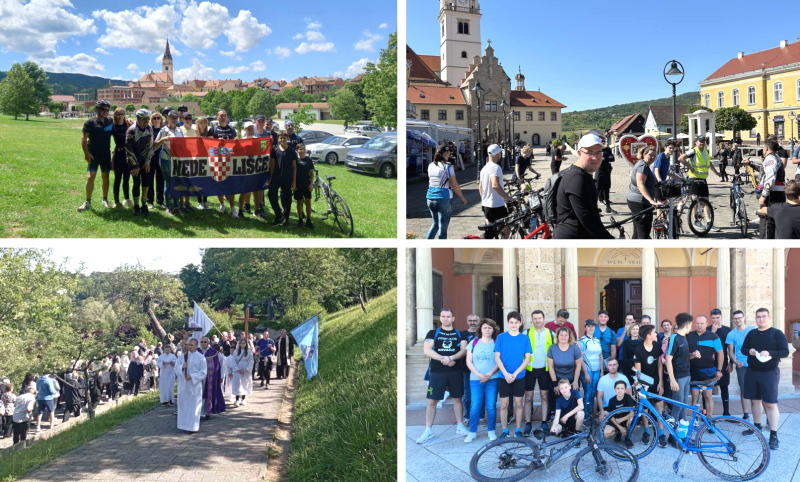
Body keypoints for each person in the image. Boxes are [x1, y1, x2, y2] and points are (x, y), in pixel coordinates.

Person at [417, 309, 468, 444]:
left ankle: (460, 426)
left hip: (455, 371)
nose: (446, 319)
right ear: (440, 318)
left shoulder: (460, 334)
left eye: (448, 317)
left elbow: (463, 351)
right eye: (443, 316)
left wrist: (451, 357)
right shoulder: (433, 333)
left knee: (457, 399)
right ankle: (428, 430)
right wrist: (444, 359)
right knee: (432, 401)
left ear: (453, 318)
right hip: (437, 372)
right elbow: (426, 350)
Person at [741, 308, 789, 450]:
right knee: (755, 401)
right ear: (755, 319)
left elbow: (785, 352)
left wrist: (770, 353)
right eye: (758, 317)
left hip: (769, 372)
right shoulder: (751, 333)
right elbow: (743, 349)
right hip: (752, 371)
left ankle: (774, 435)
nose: (761, 319)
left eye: (763, 317)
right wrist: (748, 351)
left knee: (770, 403)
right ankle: (756, 427)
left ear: (769, 318)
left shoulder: (776, 333)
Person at [553, 134, 614, 239]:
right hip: (572, 241)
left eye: (598, 152)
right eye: (589, 152)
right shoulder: (576, 178)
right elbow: (588, 219)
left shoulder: (584, 175)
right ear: (579, 153)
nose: (595, 157)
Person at [494, 311, 532, 439]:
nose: (514, 324)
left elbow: (527, 359)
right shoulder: (501, 337)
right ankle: (505, 430)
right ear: (508, 322)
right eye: (511, 322)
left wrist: (515, 373)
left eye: (516, 322)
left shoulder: (525, 338)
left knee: (519, 403)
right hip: (503, 376)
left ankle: (518, 429)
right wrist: (505, 373)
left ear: (520, 323)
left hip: (519, 376)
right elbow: (497, 357)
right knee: (504, 405)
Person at [464, 318, 501, 443]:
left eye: (490, 328)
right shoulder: (473, 343)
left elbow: (498, 361)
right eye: (485, 327)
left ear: (493, 330)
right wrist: (479, 375)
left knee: (491, 406)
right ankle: (472, 432)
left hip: (492, 379)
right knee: (475, 406)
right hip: (475, 379)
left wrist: (489, 374)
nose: (487, 330)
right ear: (480, 329)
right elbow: (468, 361)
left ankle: (491, 430)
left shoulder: (496, 343)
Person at [678, 136, 722, 232]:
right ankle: (696, 221)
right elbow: (681, 158)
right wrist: (690, 167)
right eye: (700, 141)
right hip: (693, 179)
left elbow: (709, 163)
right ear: (696, 142)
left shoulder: (705, 151)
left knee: (706, 201)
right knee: (695, 201)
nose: (702, 143)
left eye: (704, 141)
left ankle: (709, 222)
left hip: (703, 180)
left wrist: (716, 173)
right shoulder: (693, 151)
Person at [744, 139, 786, 238]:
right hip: (777, 193)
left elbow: (770, 178)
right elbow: (764, 169)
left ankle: (767, 244)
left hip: (773, 195)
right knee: (774, 222)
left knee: (767, 223)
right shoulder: (776, 157)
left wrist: (764, 195)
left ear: (766, 148)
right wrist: (750, 163)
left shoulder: (770, 159)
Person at [633, 324, 665, 447]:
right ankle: (646, 431)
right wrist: (640, 387)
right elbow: (638, 372)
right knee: (644, 407)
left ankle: (661, 433)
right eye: (654, 332)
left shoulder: (657, 346)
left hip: (656, 380)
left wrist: (661, 382)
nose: (656, 334)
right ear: (648, 335)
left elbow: (659, 365)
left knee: (659, 406)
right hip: (644, 382)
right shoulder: (638, 349)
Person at [78, 100, 114, 211]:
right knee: (90, 177)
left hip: (105, 155)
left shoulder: (110, 121)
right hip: (93, 154)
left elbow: (119, 131)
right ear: (97, 109)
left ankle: (105, 199)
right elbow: (84, 138)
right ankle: (87, 201)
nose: (106, 112)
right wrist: (86, 154)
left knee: (105, 177)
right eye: (103, 109)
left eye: (107, 110)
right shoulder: (90, 122)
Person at [426, 146, 468, 239]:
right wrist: (462, 197)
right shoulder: (448, 166)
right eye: (449, 153)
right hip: (443, 198)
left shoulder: (430, 165)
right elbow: (453, 184)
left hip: (430, 197)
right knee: (443, 228)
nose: (450, 155)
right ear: (445, 153)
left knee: (435, 224)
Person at [523, 310, 554, 435]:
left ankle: (544, 422)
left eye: (539, 318)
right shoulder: (526, 332)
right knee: (528, 398)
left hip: (545, 370)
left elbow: (562, 343)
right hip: (529, 369)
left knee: (544, 396)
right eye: (535, 318)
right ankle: (528, 423)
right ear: (532, 320)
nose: (537, 320)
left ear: (544, 319)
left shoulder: (551, 333)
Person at [687, 315, 723, 417]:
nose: (699, 325)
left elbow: (720, 353)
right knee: (694, 396)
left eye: (702, 323)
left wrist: (719, 370)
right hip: (693, 370)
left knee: (708, 396)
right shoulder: (689, 335)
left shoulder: (713, 336)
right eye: (697, 323)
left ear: (707, 324)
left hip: (708, 371)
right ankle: (695, 420)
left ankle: (710, 419)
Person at [627, 146, 664, 239]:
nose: (652, 157)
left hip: (635, 201)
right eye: (650, 155)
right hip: (640, 203)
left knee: (637, 231)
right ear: (644, 154)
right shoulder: (642, 166)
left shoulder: (642, 164)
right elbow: (640, 183)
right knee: (643, 233)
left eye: (654, 156)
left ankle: (634, 251)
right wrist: (650, 200)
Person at [478, 144, 514, 238]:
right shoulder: (495, 167)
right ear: (497, 154)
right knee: (509, 222)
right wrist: (509, 198)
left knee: (490, 231)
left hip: (486, 204)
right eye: (500, 153)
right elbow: (495, 185)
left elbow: (480, 187)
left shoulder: (484, 168)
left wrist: (485, 198)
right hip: (496, 204)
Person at [726, 310, 755, 421]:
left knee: (759, 391)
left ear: (744, 317)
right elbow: (731, 351)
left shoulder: (752, 330)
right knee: (743, 390)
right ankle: (746, 414)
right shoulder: (731, 334)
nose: (738, 320)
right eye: (735, 318)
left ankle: (765, 416)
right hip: (741, 365)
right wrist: (734, 361)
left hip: (755, 364)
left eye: (739, 318)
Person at [154, 109, 184, 216]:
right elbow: (155, 145)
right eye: (172, 117)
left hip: (177, 160)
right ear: (167, 118)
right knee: (168, 181)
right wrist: (163, 139)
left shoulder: (180, 131)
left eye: (176, 117)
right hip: (165, 158)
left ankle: (177, 206)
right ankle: (169, 207)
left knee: (176, 182)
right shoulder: (163, 130)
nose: (175, 119)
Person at [666, 313, 693, 429]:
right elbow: (668, 359)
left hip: (687, 375)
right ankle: (673, 436)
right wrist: (672, 380)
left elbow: (683, 356)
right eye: (691, 324)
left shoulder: (684, 338)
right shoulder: (674, 338)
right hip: (678, 377)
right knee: (677, 405)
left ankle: (683, 431)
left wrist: (693, 355)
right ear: (687, 325)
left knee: (683, 404)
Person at [124, 109, 153, 217]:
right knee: (136, 183)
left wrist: (147, 162)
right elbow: (129, 150)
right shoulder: (131, 130)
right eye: (144, 119)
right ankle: (136, 205)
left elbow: (151, 146)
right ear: (138, 119)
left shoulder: (149, 128)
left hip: (145, 161)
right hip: (133, 161)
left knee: (146, 182)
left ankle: (144, 204)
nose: (147, 121)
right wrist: (135, 166)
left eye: (148, 119)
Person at [209, 110, 238, 215]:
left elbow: (235, 144)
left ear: (227, 117)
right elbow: (208, 146)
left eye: (224, 115)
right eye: (221, 115)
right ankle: (222, 204)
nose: (223, 117)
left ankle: (233, 207)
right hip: (217, 161)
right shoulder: (213, 129)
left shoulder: (231, 129)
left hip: (229, 161)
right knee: (219, 183)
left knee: (231, 185)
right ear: (217, 117)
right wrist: (217, 143)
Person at [175, 339, 207, 433]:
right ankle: (183, 425)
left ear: (196, 346)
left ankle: (192, 427)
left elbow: (203, 372)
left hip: (194, 386)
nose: (189, 347)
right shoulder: (182, 356)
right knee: (184, 405)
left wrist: (192, 376)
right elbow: (176, 368)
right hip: (184, 385)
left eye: (191, 345)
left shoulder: (201, 357)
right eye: (188, 345)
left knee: (193, 406)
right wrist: (182, 367)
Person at [268, 132, 298, 227]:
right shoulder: (275, 150)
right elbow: (272, 165)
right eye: (280, 138)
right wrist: (270, 178)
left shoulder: (292, 151)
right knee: (271, 194)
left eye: (284, 138)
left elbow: (294, 167)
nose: (282, 140)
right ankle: (279, 216)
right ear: (278, 139)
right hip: (276, 177)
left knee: (287, 199)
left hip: (287, 178)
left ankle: (286, 219)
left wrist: (294, 182)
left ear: (287, 139)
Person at [547, 327, 583, 400]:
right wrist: (555, 384)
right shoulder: (552, 348)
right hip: (557, 380)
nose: (563, 337)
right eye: (561, 335)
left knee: (573, 403)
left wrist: (575, 381)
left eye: (566, 335)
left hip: (572, 380)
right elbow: (551, 367)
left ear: (569, 337)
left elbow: (578, 366)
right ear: (557, 336)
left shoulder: (575, 348)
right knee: (557, 403)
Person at [709, 309, 733, 416]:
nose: (715, 320)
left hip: (723, 363)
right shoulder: (707, 330)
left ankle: (726, 412)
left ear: (721, 317)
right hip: (709, 363)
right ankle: (707, 413)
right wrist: (712, 332)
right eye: (713, 318)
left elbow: (731, 349)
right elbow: (705, 345)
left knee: (724, 387)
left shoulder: (728, 330)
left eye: (717, 317)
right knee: (707, 389)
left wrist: (731, 363)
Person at [578, 320, 603, 417]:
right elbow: (581, 358)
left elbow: (600, 356)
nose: (591, 328)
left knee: (593, 392)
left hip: (597, 370)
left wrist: (601, 371)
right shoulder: (582, 341)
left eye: (592, 326)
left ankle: (591, 414)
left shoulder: (597, 340)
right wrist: (586, 373)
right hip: (587, 370)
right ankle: (586, 416)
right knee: (588, 392)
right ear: (585, 327)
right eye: (588, 326)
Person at [603, 380, 636, 449]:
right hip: (616, 421)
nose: (620, 390)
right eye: (618, 388)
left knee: (633, 419)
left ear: (625, 390)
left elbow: (632, 412)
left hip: (626, 419)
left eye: (622, 388)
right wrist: (620, 428)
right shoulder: (611, 400)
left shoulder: (628, 397)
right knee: (606, 434)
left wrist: (621, 419)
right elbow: (611, 416)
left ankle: (627, 438)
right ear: (614, 389)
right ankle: (619, 432)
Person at [110, 108, 133, 209]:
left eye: (122, 114)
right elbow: (103, 136)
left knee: (127, 179)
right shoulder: (113, 127)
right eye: (118, 114)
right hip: (118, 155)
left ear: (124, 115)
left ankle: (127, 199)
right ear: (115, 115)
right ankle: (116, 202)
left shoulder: (128, 125)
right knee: (117, 179)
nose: (120, 116)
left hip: (128, 155)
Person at [197, 337, 225, 419]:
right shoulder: (196, 352)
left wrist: (220, 376)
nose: (203, 343)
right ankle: (197, 412)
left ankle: (207, 411)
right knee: (199, 394)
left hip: (210, 378)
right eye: (201, 342)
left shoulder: (214, 353)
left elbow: (219, 365)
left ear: (208, 342)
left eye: (205, 341)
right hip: (198, 378)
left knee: (208, 395)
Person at [294, 143, 317, 228]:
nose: (302, 151)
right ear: (297, 150)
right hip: (298, 184)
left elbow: (311, 173)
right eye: (300, 149)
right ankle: (300, 219)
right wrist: (294, 184)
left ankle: (308, 220)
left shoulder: (309, 160)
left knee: (308, 202)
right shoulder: (295, 160)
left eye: (304, 149)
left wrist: (311, 184)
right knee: (299, 202)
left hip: (307, 184)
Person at [145, 112, 164, 208]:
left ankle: (160, 200)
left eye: (158, 118)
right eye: (154, 118)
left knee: (160, 179)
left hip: (161, 157)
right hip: (151, 158)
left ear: (161, 120)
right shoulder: (149, 130)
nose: (156, 120)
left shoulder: (164, 130)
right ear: (152, 120)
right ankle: (150, 201)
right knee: (150, 179)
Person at [228, 339, 254, 406]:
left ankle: (243, 398)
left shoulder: (249, 351)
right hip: (238, 369)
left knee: (245, 383)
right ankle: (237, 399)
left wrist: (247, 369)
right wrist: (237, 369)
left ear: (246, 344)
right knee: (238, 384)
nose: (242, 344)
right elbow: (233, 361)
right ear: (239, 344)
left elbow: (251, 361)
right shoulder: (236, 351)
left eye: (244, 343)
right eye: (241, 343)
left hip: (246, 369)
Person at [596, 139, 616, 213]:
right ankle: (595, 208)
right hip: (599, 171)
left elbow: (612, 158)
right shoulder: (596, 149)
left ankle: (608, 207)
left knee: (607, 188)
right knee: (597, 189)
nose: (603, 143)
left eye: (603, 141)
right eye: (601, 141)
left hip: (607, 171)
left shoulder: (607, 149)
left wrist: (604, 158)